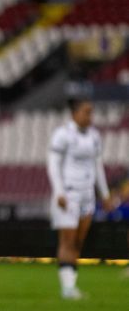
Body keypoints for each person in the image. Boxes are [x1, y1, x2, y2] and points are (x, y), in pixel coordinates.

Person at [46, 98, 112, 299]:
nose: (90, 116)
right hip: (69, 193)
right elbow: (53, 164)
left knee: (79, 241)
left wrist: (105, 193)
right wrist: (59, 192)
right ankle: (67, 288)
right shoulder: (62, 134)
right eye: (86, 112)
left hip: (87, 195)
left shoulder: (94, 136)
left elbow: (97, 165)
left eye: (91, 112)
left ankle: (71, 285)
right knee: (68, 239)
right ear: (74, 113)